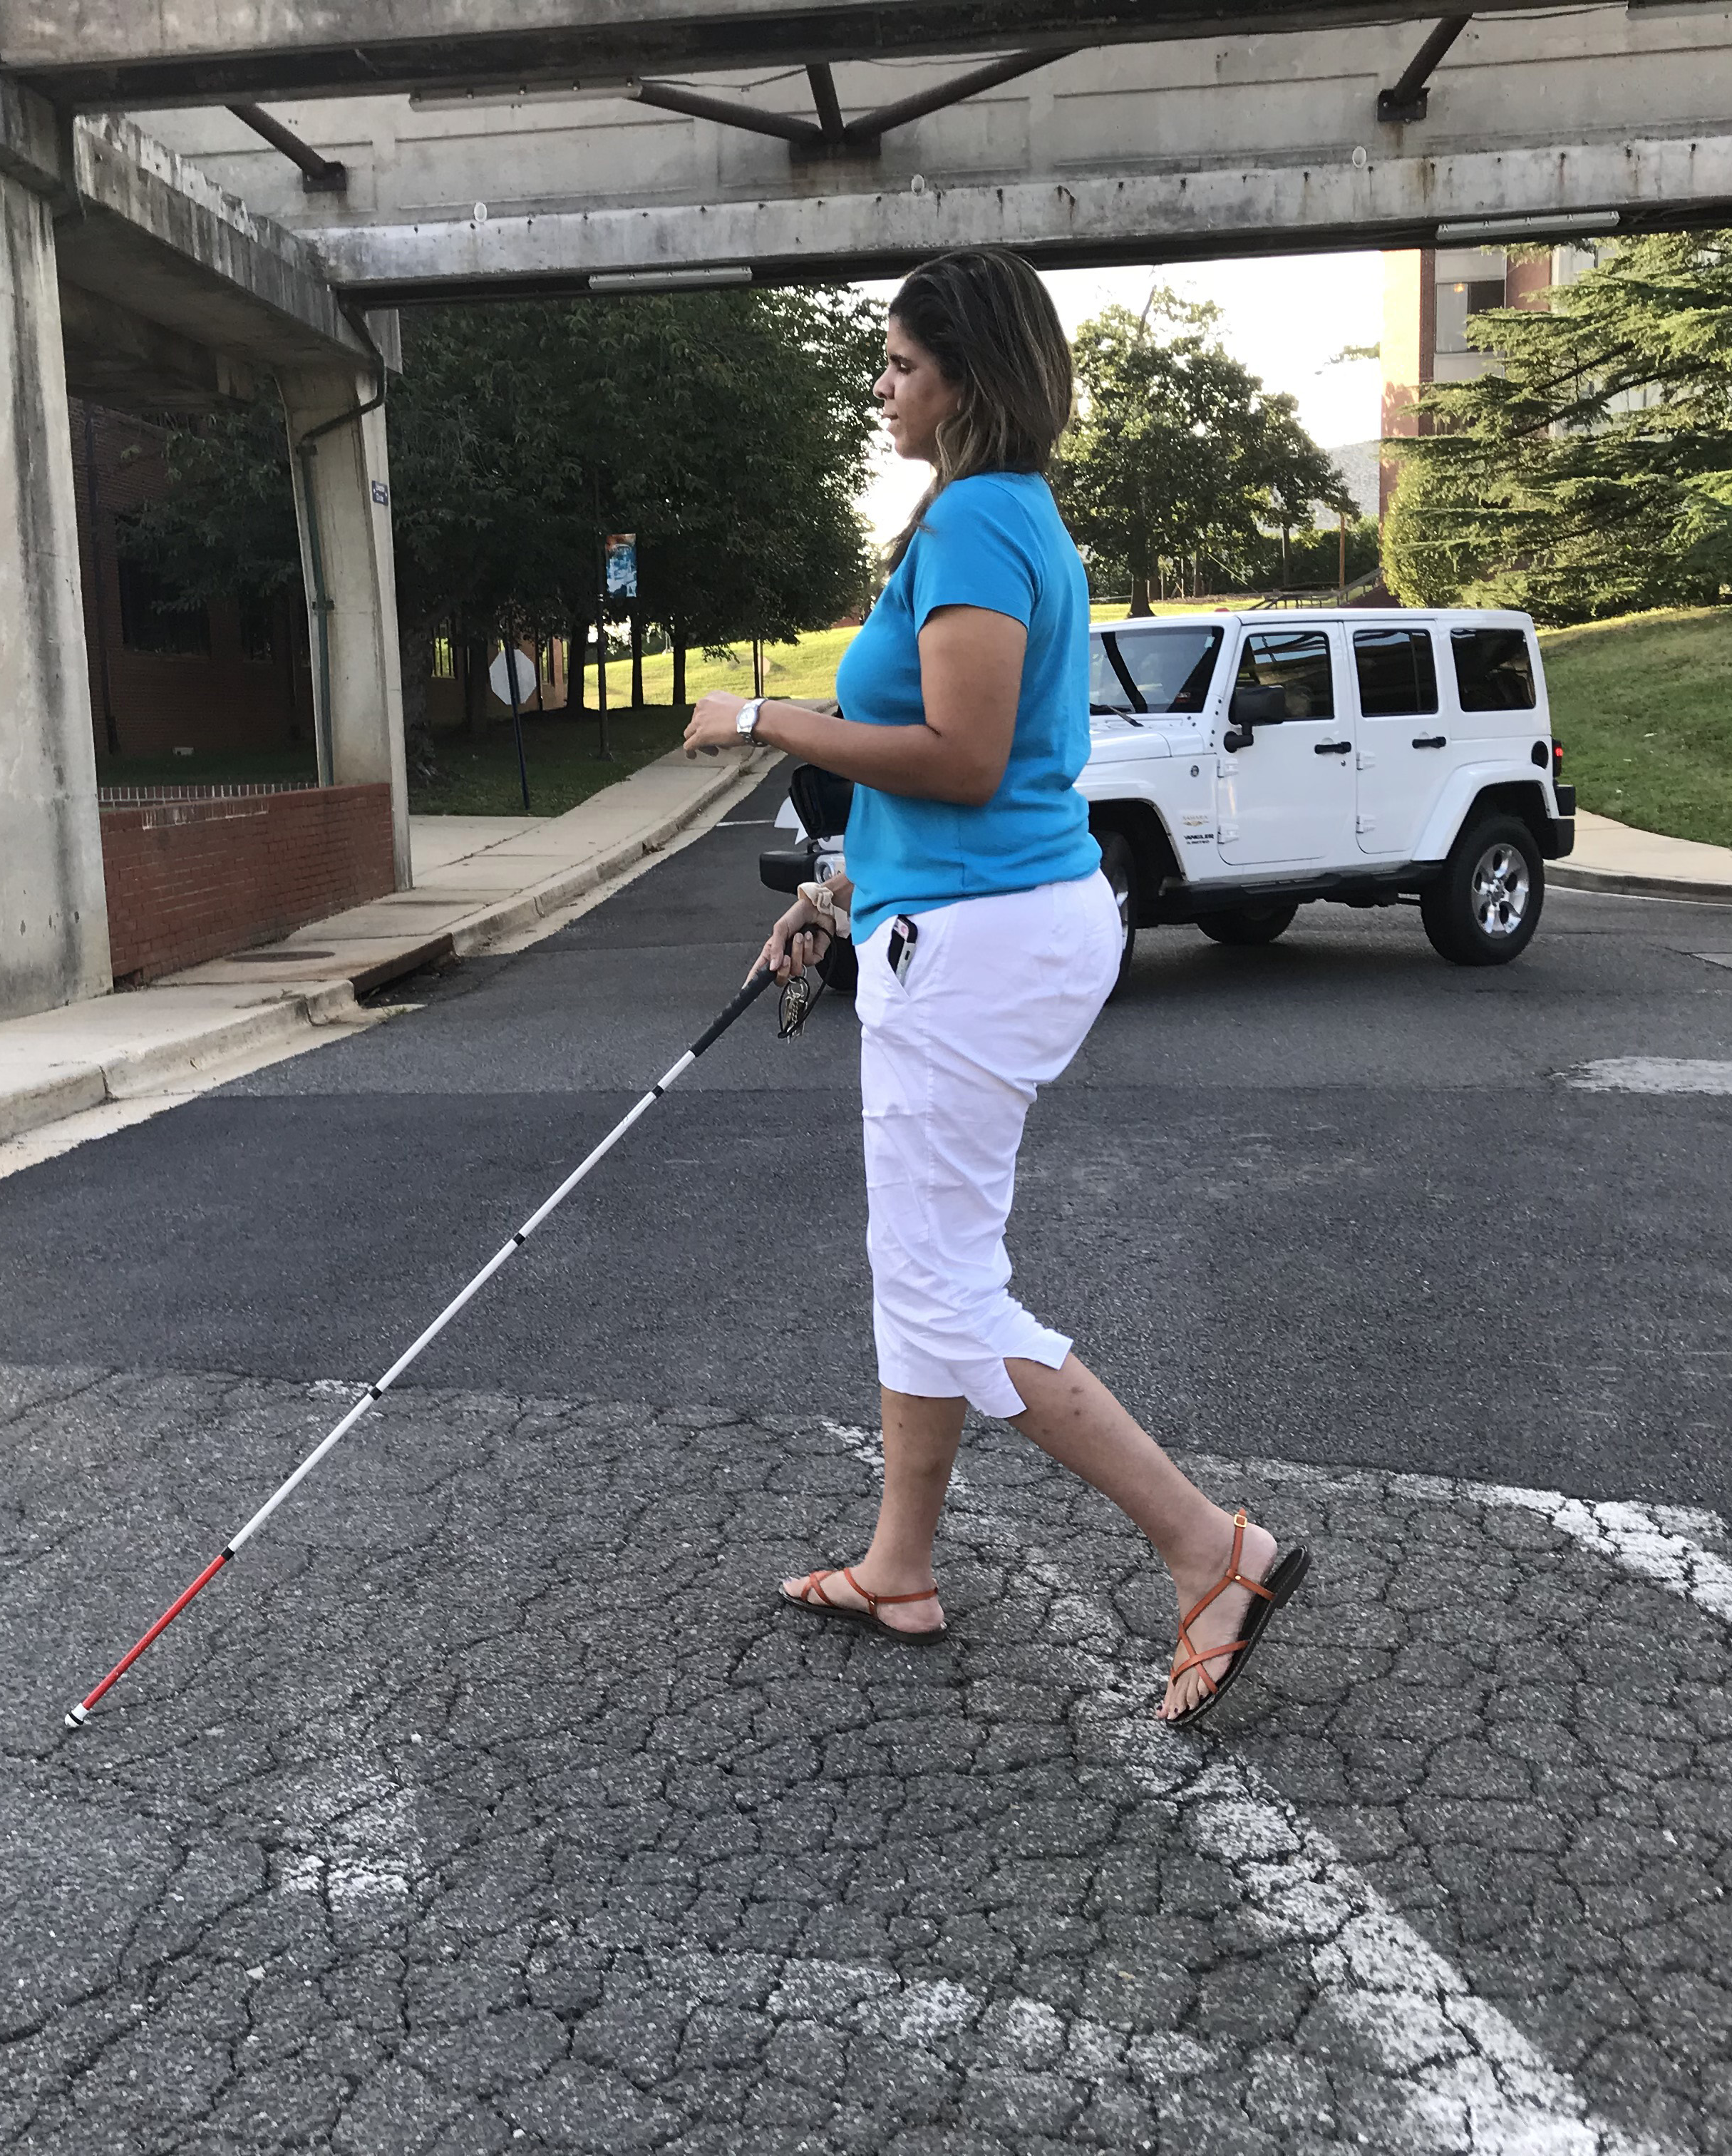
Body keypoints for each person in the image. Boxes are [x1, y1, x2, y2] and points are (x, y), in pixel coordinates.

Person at [681, 249, 1309, 1724]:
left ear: (966, 379)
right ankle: (900, 1565)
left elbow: (960, 758)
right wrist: (841, 893)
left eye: (901, 364)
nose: (881, 388)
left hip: (979, 946)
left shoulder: (975, 519)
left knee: (945, 1286)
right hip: (976, 920)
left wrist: (765, 717)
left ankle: (1211, 1550)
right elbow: (990, 770)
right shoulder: (999, 514)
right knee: (925, 1264)